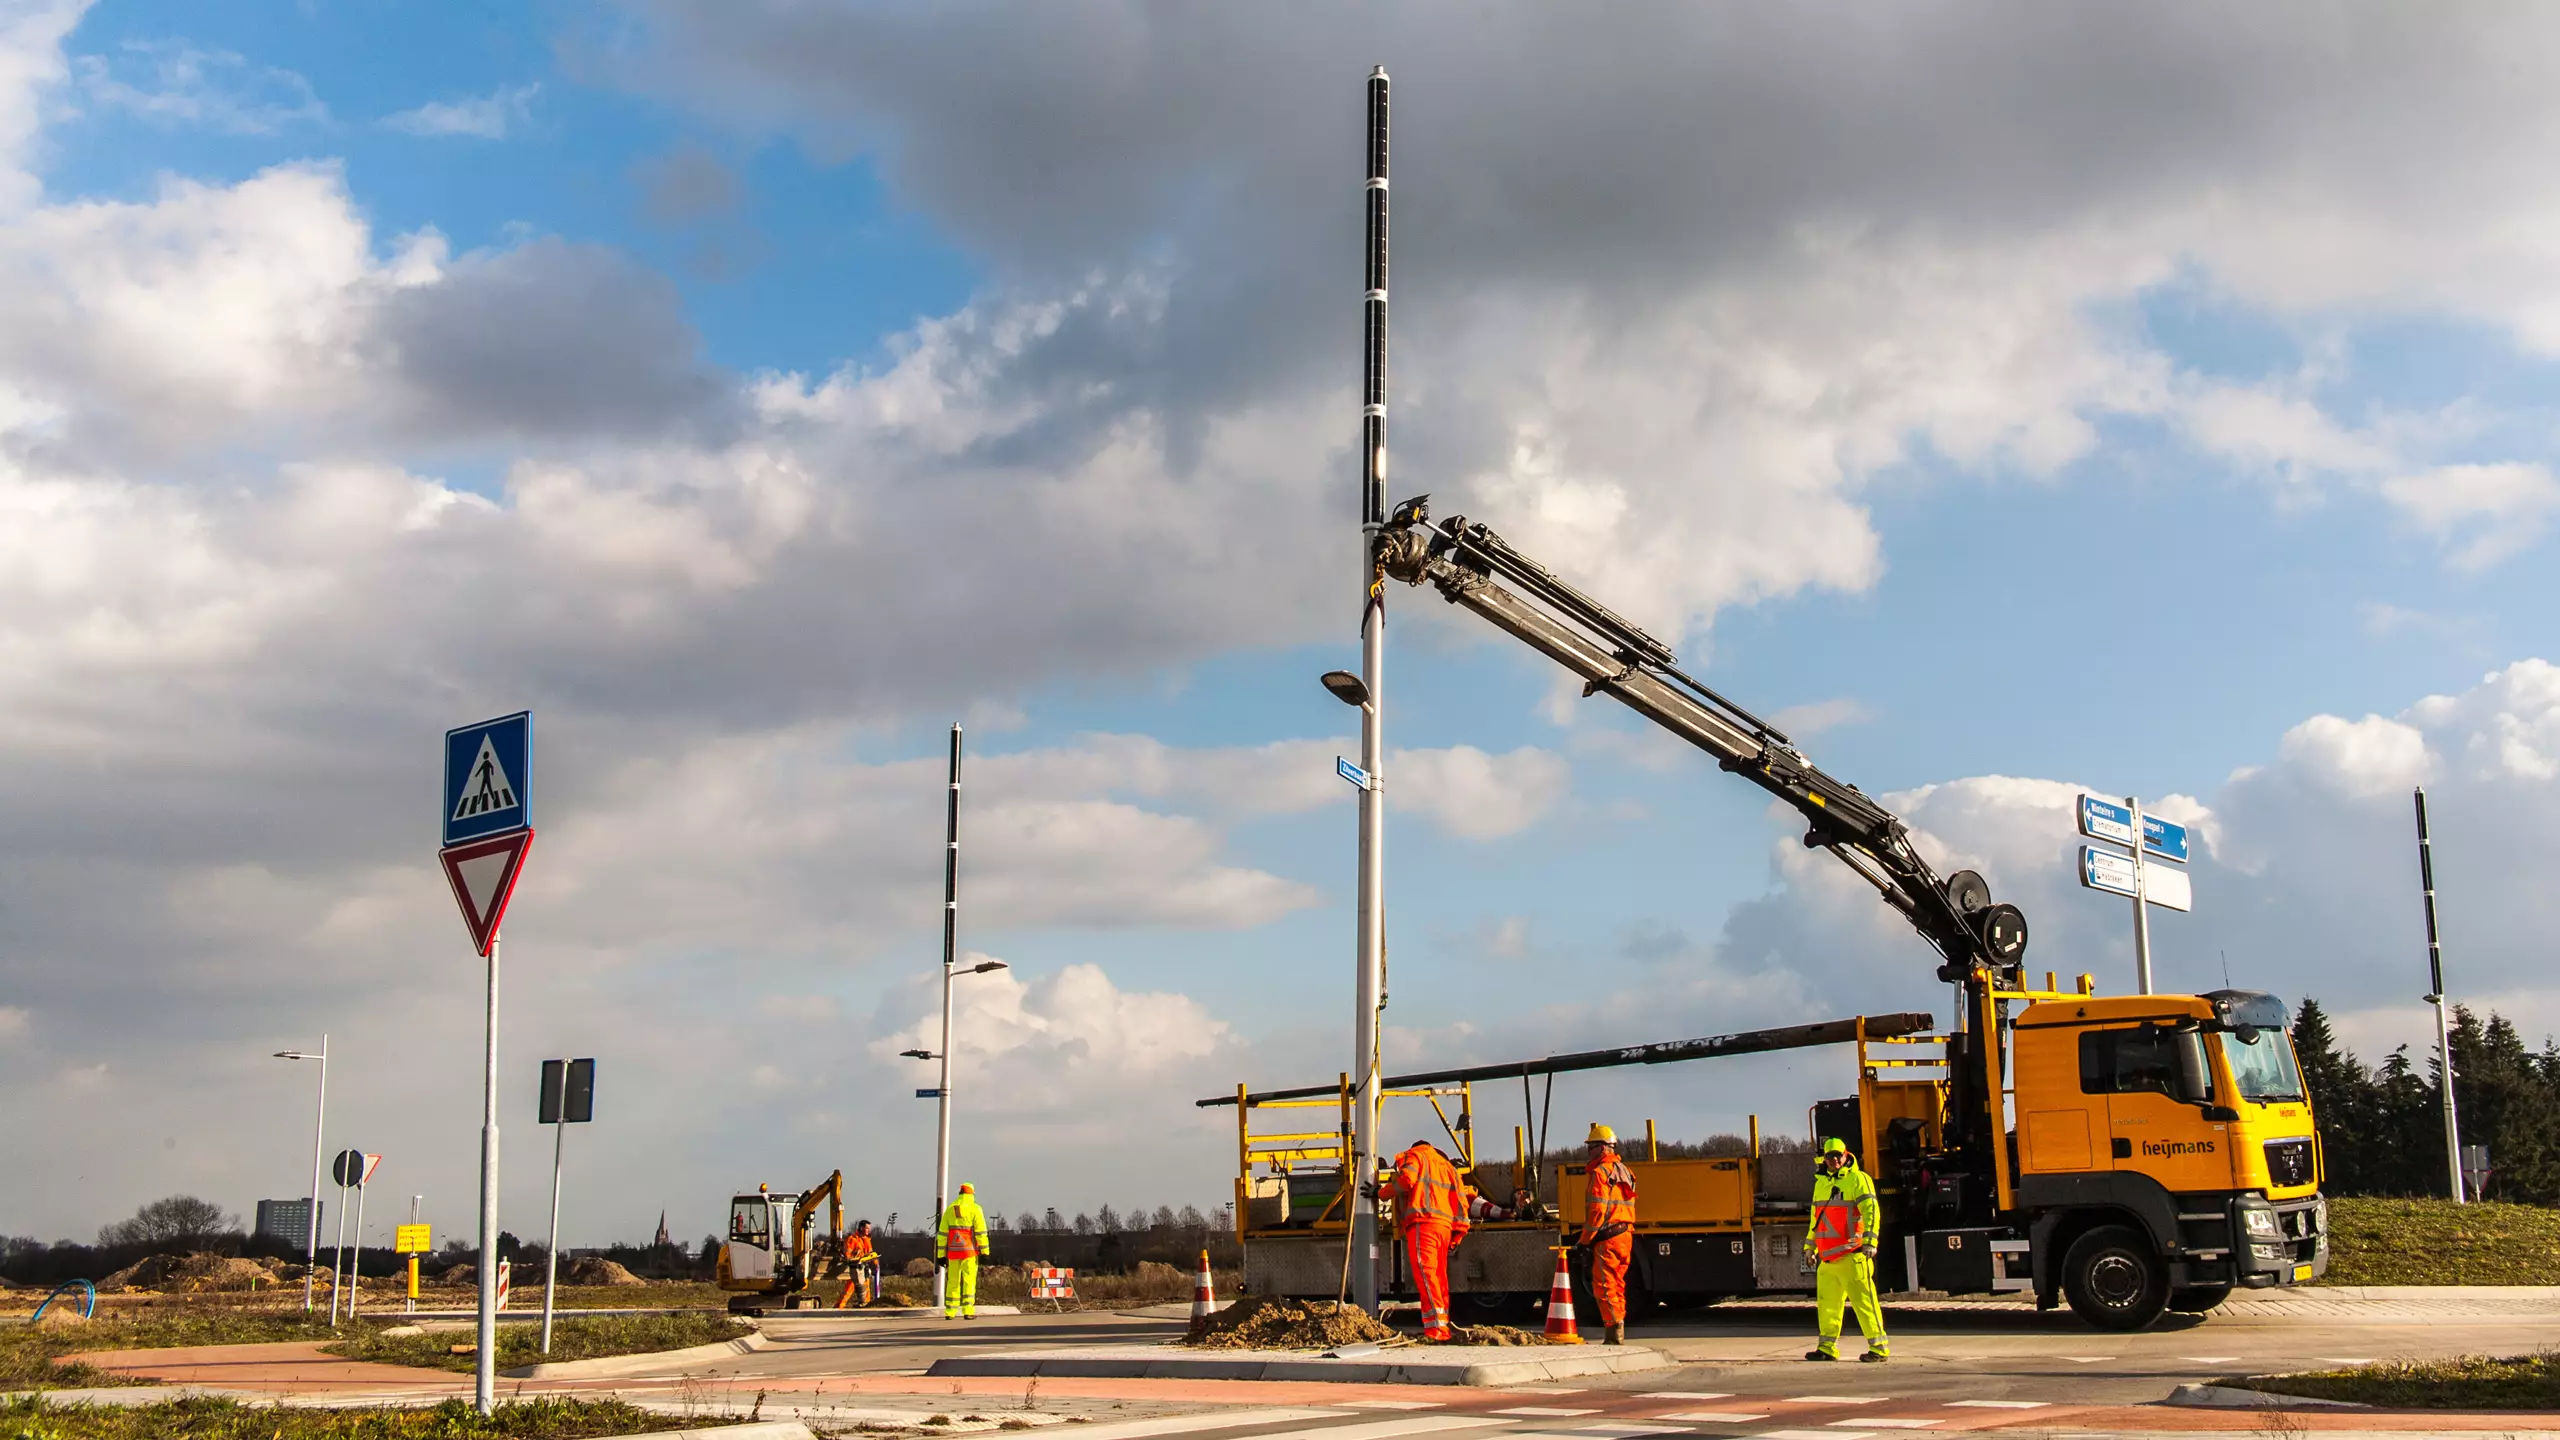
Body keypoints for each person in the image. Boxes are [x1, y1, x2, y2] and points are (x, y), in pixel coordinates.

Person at [1803, 1137, 1888, 1362]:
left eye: (1837, 1155)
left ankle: (1879, 1348)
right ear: (1824, 1158)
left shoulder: (1858, 1179)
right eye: (1829, 1156)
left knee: (1865, 1304)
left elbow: (1871, 1211)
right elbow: (1816, 1220)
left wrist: (1871, 1242)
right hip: (1828, 1259)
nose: (1833, 1160)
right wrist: (1809, 1247)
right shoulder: (1820, 1183)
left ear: (1845, 1155)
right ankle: (1827, 1349)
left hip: (1852, 1255)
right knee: (1827, 1306)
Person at [1390, 1138, 1470, 1341]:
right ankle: (1440, 1327)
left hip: (1422, 1222)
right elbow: (1461, 1202)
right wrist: (1457, 1233)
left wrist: (1381, 1193)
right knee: (1438, 1277)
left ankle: (1436, 1331)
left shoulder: (1415, 1156)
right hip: (1443, 1227)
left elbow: (1407, 1180)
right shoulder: (1448, 1167)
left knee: (1426, 1276)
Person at [1579, 1123, 1638, 1346]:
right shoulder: (1625, 1171)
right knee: (1617, 1284)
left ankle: (1614, 1335)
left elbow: (1597, 1212)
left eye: (1591, 1147)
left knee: (1604, 1285)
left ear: (1603, 1148)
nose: (1589, 1152)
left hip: (1608, 1238)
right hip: (1625, 1235)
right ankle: (1618, 1326)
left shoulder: (1600, 1173)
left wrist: (1584, 1242)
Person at [937, 1183, 992, 1320]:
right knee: (968, 1281)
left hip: (953, 1253)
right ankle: (968, 1311)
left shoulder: (950, 1209)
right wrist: (985, 1251)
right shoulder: (975, 1209)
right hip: (969, 1252)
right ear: (972, 1194)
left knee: (952, 1281)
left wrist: (940, 1255)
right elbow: (981, 1233)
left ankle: (950, 1312)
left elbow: (942, 1235)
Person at [836, 1219, 880, 1309]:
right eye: (867, 1228)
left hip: (863, 1266)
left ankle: (865, 1304)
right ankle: (839, 1306)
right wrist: (851, 1260)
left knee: (866, 1287)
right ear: (861, 1228)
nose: (868, 1230)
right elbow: (847, 1254)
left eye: (869, 1228)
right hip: (855, 1267)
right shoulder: (852, 1239)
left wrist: (875, 1262)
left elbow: (870, 1252)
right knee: (850, 1288)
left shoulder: (866, 1239)